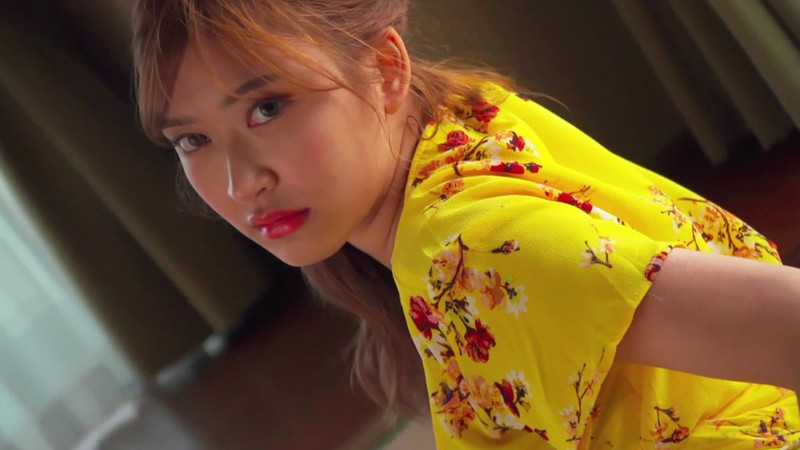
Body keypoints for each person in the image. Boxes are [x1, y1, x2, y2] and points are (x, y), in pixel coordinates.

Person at [131, 0, 800, 448]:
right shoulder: (460, 124)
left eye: (268, 108)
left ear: (385, 70)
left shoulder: (475, 253)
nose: (239, 183)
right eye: (193, 140)